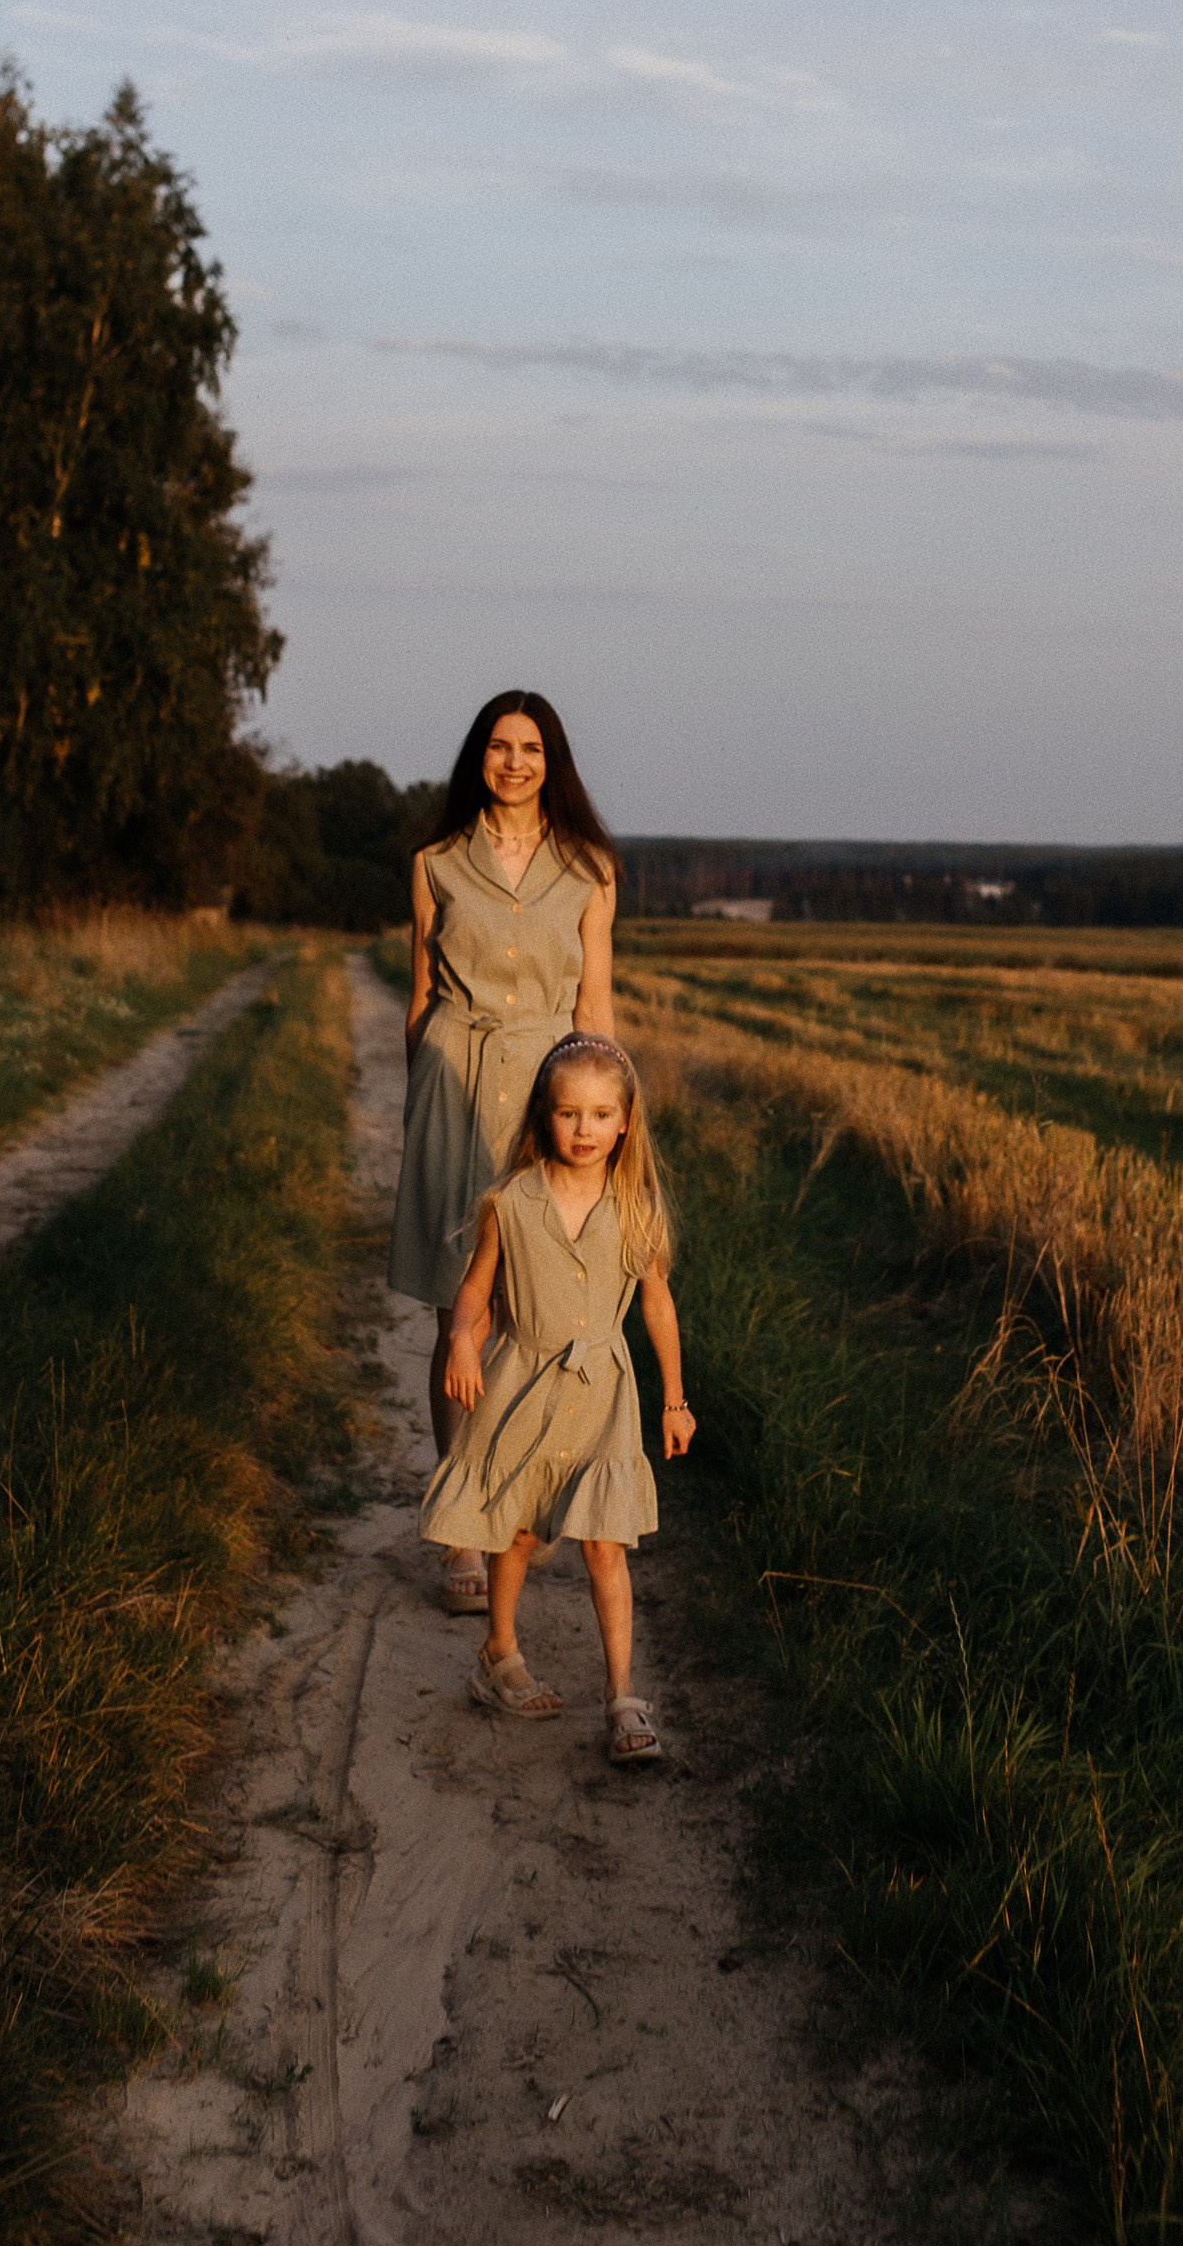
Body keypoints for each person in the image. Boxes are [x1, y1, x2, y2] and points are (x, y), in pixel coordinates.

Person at [389, 691, 618, 1611]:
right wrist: (422, 1104)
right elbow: (418, 999)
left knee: (536, 1309)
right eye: (498, 746)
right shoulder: (436, 864)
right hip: (452, 1082)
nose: (513, 763)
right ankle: (459, 1534)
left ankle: (518, 1505)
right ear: (477, 758)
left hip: (545, 1092)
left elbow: (594, 1006)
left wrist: (604, 1124)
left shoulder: (589, 869)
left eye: (530, 749)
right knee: (458, 1312)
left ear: (551, 760)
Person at [421, 1032, 695, 1764]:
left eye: (601, 1115)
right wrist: (460, 1341)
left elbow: (657, 1305)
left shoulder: (635, 1206)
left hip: (604, 1393)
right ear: (545, 1116)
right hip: (524, 1385)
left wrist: (674, 1398)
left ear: (626, 1121)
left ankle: (622, 1698)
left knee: (607, 1545)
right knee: (516, 1530)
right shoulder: (511, 1202)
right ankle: (499, 1656)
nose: (584, 1130)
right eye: (569, 1114)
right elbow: (475, 1288)